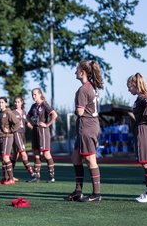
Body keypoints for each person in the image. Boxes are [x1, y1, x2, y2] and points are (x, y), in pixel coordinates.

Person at [65, 60, 103, 202]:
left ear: (83, 72)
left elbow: (80, 112)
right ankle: (78, 191)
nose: (75, 72)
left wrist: (76, 109)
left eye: (77, 69)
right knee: (76, 158)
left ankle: (96, 194)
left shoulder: (83, 89)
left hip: (86, 126)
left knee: (90, 159)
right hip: (90, 125)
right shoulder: (92, 86)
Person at [127, 73, 147, 203]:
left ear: (135, 85)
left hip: (144, 130)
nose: (128, 89)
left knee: (146, 162)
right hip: (141, 129)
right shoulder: (139, 98)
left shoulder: (143, 96)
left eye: (129, 86)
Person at [27, 88, 58, 183]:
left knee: (46, 154)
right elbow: (28, 116)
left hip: (43, 132)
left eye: (35, 94)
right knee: (36, 154)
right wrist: (32, 123)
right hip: (35, 131)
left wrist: (47, 124)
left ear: (40, 94)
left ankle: (52, 177)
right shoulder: (33, 106)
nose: (33, 96)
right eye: (32, 94)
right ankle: (37, 177)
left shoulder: (44, 104)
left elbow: (54, 115)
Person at [0, 97, 21, 185]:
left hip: (7, 137)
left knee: (6, 157)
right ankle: (5, 178)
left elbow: (17, 123)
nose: (0, 104)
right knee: (2, 158)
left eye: (2, 102)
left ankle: (11, 179)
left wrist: (10, 130)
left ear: (6, 103)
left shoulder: (9, 113)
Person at [10, 96, 35, 181]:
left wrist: (34, 129)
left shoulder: (24, 112)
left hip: (22, 134)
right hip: (16, 133)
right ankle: (32, 174)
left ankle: (9, 175)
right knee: (23, 154)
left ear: (22, 102)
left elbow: (27, 123)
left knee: (15, 155)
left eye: (18, 102)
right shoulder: (12, 112)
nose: (16, 103)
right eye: (15, 102)